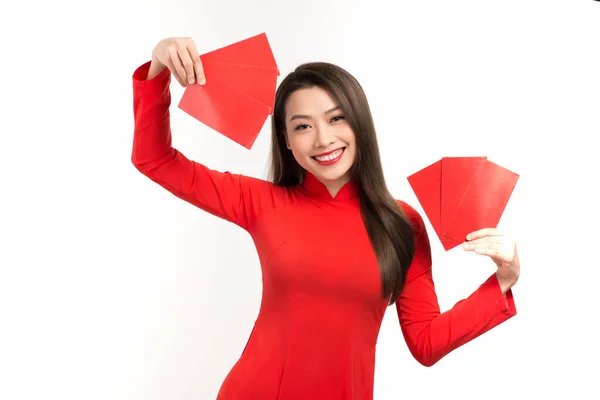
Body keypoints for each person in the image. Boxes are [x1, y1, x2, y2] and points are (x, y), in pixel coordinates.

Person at [131, 37, 520, 400]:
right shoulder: (261, 201)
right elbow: (155, 160)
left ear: (359, 123)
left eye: (336, 119)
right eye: (302, 126)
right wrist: (159, 68)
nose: (322, 139)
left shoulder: (403, 223)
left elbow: (426, 341)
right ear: (285, 139)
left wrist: (502, 281)